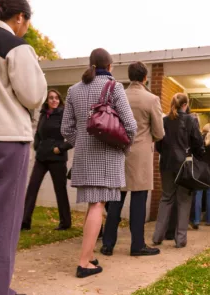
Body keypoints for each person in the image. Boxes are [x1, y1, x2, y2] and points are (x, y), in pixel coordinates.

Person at [0, 0, 47, 295]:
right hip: (6, 138)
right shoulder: (15, 46)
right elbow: (34, 94)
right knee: (3, 218)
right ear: (20, 17)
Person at [61, 48, 137, 278]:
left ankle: (89, 253)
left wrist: (82, 142)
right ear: (110, 66)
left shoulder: (73, 90)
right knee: (98, 205)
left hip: (84, 157)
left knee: (92, 204)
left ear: (91, 64)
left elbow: (66, 129)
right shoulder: (114, 87)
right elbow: (131, 126)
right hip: (107, 156)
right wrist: (123, 146)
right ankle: (84, 263)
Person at [101, 61, 164, 257]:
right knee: (138, 201)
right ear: (145, 77)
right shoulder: (152, 99)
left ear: (130, 76)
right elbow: (159, 132)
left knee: (115, 200)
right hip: (141, 154)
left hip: (119, 151)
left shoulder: (117, 96)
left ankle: (107, 244)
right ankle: (137, 245)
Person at [152, 93, 204, 248]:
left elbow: (158, 145)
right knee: (184, 201)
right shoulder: (191, 120)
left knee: (166, 198)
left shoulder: (165, 121)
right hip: (185, 166)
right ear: (185, 105)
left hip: (167, 165)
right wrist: (198, 156)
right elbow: (198, 143)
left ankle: (157, 236)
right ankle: (180, 239)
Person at [21, 90, 73, 231]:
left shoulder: (64, 114)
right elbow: (38, 133)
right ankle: (25, 221)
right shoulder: (43, 114)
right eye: (51, 98)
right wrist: (38, 146)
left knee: (60, 190)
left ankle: (65, 222)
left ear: (60, 100)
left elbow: (74, 135)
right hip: (41, 157)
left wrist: (60, 148)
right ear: (47, 101)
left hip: (57, 158)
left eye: (56, 98)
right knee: (32, 187)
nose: (54, 100)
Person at [191, 124, 210, 229]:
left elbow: (194, 155)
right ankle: (209, 220)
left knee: (198, 194)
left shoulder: (198, 141)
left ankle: (196, 220)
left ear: (203, 130)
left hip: (200, 171)